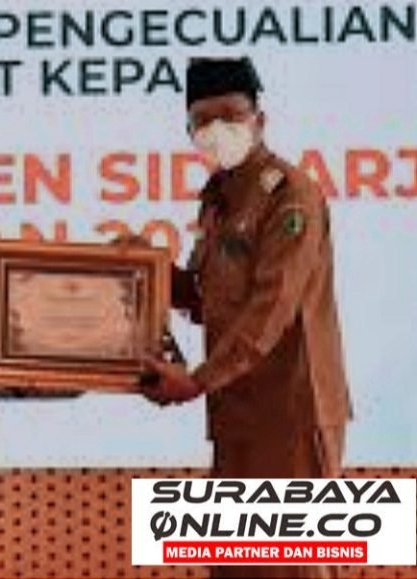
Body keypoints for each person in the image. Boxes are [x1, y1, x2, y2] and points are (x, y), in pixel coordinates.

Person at [142, 58, 352, 579]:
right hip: (236, 410)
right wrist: (144, 270)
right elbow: (206, 298)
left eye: (231, 115)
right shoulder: (218, 201)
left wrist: (196, 380)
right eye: (203, 120)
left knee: (295, 567)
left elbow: (270, 308)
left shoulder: (289, 195)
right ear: (189, 132)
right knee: (238, 567)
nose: (217, 129)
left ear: (260, 119)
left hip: (291, 411)